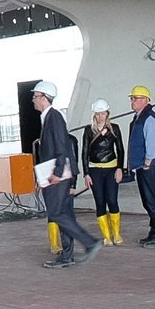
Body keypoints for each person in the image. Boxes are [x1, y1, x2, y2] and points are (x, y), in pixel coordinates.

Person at [29, 89, 100, 268]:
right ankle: (67, 256)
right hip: (54, 173)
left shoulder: (54, 117)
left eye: (35, 97)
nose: (33, 100)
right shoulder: (48, 117)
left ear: (44, 98)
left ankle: (90, 243)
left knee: (56, 213)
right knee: (64, 213)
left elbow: (62, 145)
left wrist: (57, 172)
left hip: (58, 174)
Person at [126, 86, 155, 246]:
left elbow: (152, 143)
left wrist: (147, 162)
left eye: (135, 98)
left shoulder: (148, 118)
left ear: (145, 100)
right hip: (144, 166)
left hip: (149, 166)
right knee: (149, 199)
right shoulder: (139, 117)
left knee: (153, 198)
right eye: (132, 98)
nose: (132, 101)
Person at [81, 106, 125, 246]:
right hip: (95, 170)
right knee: (100, 202)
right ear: (94, 114)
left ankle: (116, 233)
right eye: (98, 114)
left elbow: (120, 149)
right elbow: (85, 153)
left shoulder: (115, 128)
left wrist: (119, 168)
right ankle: (107, 236)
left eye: (103, 113)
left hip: (111, 168)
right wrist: (86, 174)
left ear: (107, 114)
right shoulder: (88, 130)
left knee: (112, 200)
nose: (100, 116)